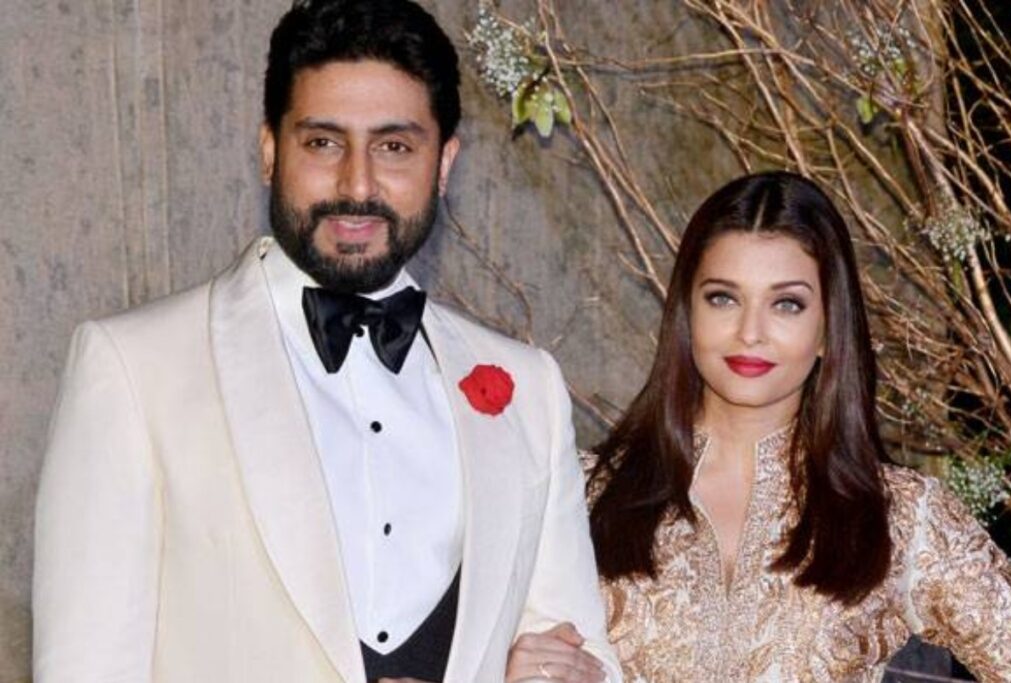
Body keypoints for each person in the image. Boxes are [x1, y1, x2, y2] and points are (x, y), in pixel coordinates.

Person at [32, 2, 621, 682]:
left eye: (394, 147)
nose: (357, 185)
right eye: (323, 143)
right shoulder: (134, 368)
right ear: (269, 151)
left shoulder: (529, 389)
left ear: (445, 163)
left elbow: (582, 656)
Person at [507, 172, 1011, 681]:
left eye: (786, 304)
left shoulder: (902, 514)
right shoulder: (581, 495)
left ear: (828, 329)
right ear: (687, 313)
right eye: (723, 298)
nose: (750, 332)